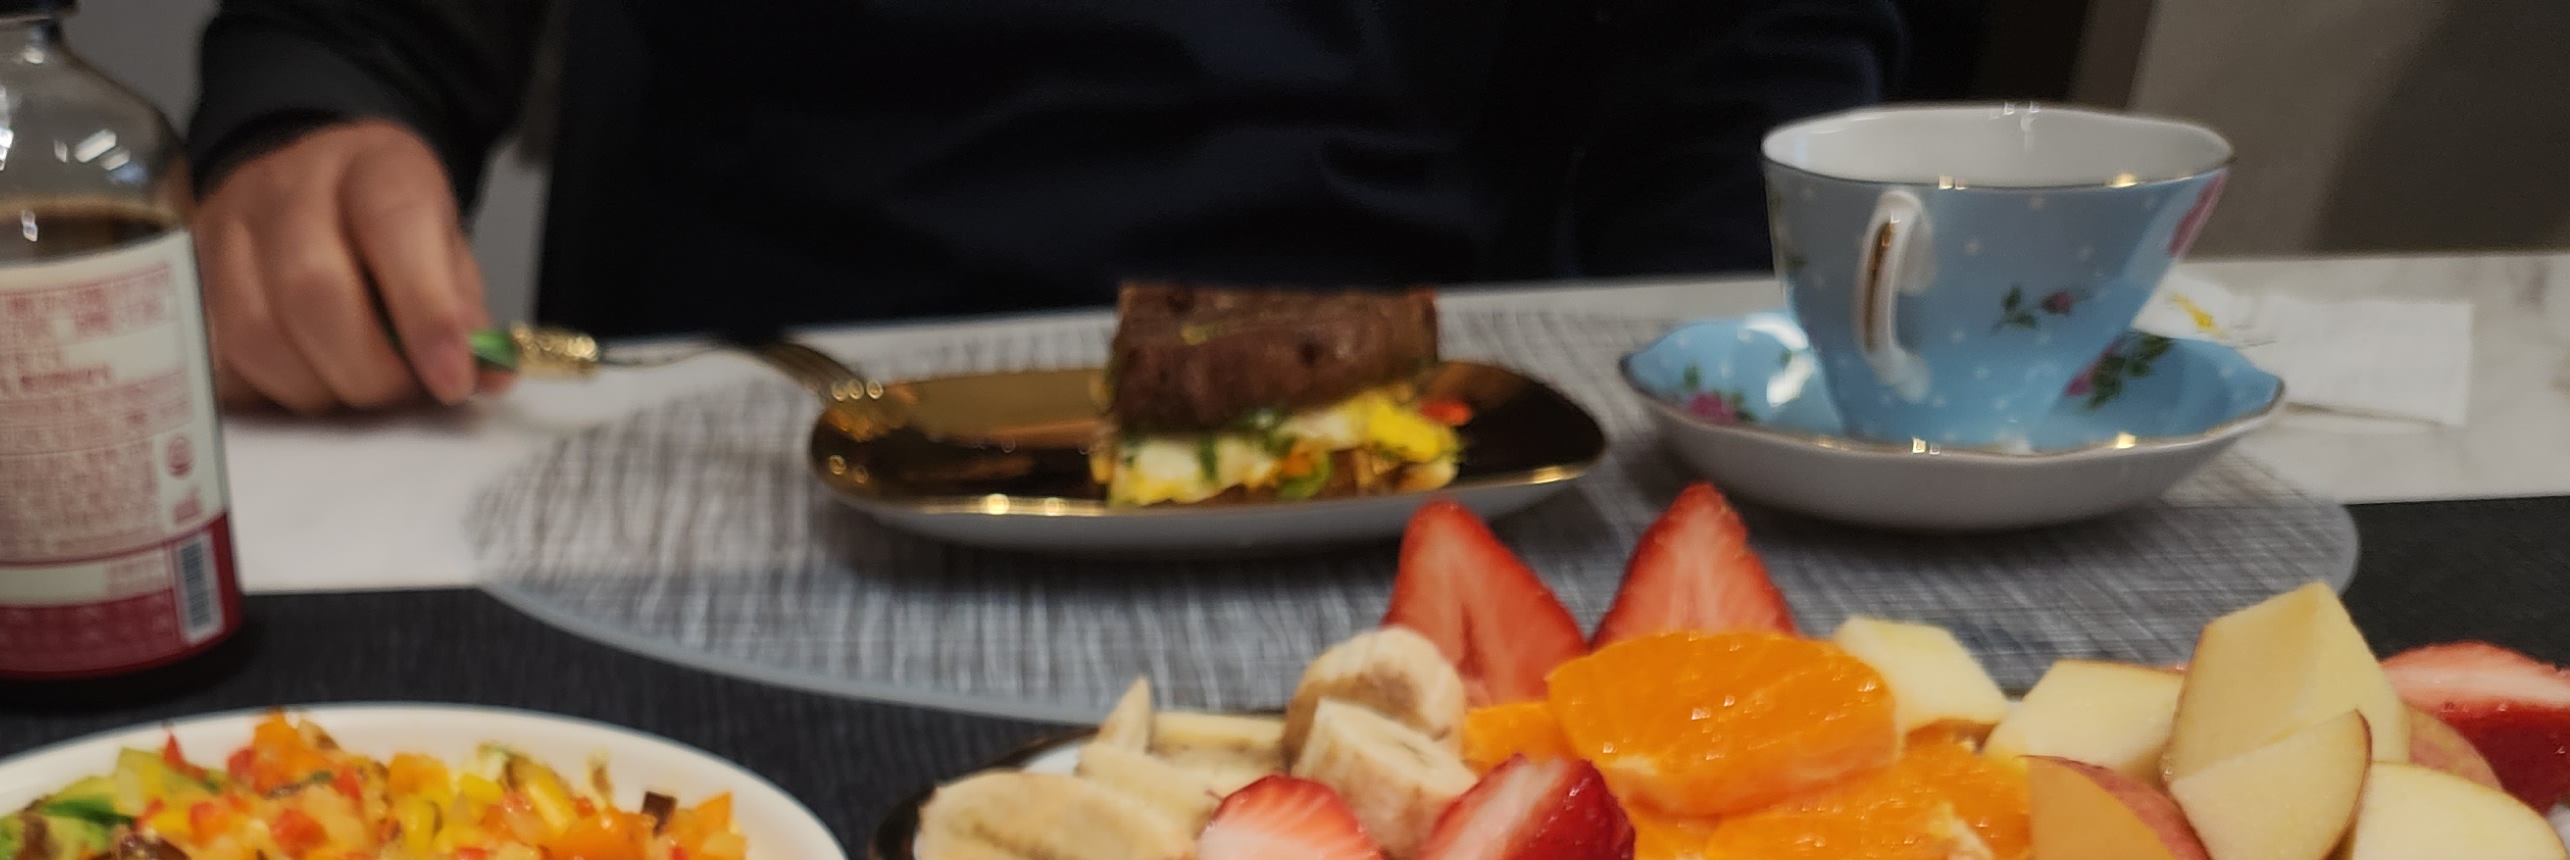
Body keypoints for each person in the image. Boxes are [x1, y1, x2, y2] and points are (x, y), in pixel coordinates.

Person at [189, 0, 1915, 414]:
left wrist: (1715, 357)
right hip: (750, 389)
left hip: (1426, 390)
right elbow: (355, 30)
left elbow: (1743, 57)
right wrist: (311, 116)